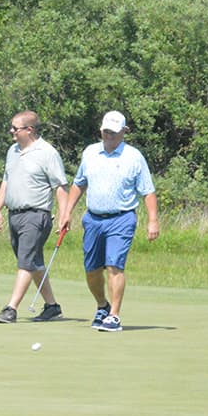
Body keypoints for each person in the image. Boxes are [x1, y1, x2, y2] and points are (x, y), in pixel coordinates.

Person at [57, 111, 159, 332]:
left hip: (122, 218)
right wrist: (67, 212)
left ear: (124, 132)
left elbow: (148, 192)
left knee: (114, 265)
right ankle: (102, 305)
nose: (109, 135)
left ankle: (114, 315)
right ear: (101, 130)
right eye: (106, 131)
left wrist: (153, 221)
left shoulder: (134, 157)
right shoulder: (90, 153)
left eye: (114, 132)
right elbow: (79, 183)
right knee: (92, 269)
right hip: (93, 219)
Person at [0, 111, 69, 323]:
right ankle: (52, 306)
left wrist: (64, 215)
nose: (11, 132)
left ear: (29, 130)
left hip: (36, 215)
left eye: (15, 128)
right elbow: (6, 182)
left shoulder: (47, 152)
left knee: (26, 261)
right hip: (14, 215)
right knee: (32, 262)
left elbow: (60, 186)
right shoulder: (12, 151)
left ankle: (11, 308)